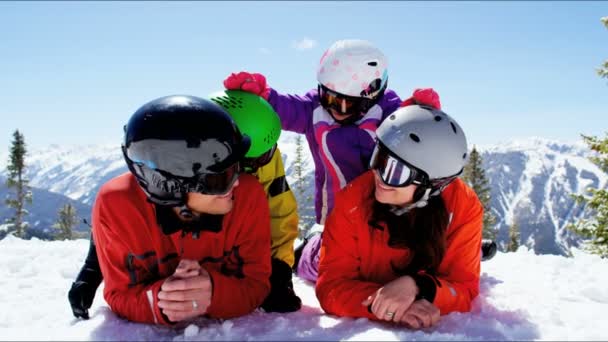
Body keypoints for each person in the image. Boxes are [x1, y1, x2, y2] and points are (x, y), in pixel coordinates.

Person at [68, 91, 301, 319]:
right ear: (171, 185)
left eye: (238, 167)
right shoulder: (118, 204)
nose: (238, 180)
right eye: (221, 178)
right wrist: (163, 301)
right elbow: (120, 293)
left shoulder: (247, 195)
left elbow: (255, 282)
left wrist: (216, 293)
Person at [223, 39, 441, 226]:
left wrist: (419, 119)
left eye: (348, 104)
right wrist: (265, 99)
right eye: (330, 98)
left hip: (382, 217)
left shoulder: (388, 111)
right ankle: (310, 253)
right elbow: (288, 109)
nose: (336, 110)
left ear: (372, 95)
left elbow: (411, 141)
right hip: (334, 218)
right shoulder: (314, 110)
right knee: (330, 263)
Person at [315, 104, 482, 329]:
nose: (379, 176)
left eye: (396, 171)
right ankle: (311, 244)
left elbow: (464, 288)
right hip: (336, 252)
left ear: (431, 185)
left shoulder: (463, 207)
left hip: (392, 262)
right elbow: (331, 287)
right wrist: (392, 304)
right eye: (379, 158)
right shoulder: (352, 202)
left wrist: (418, 286)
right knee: (311, 257)